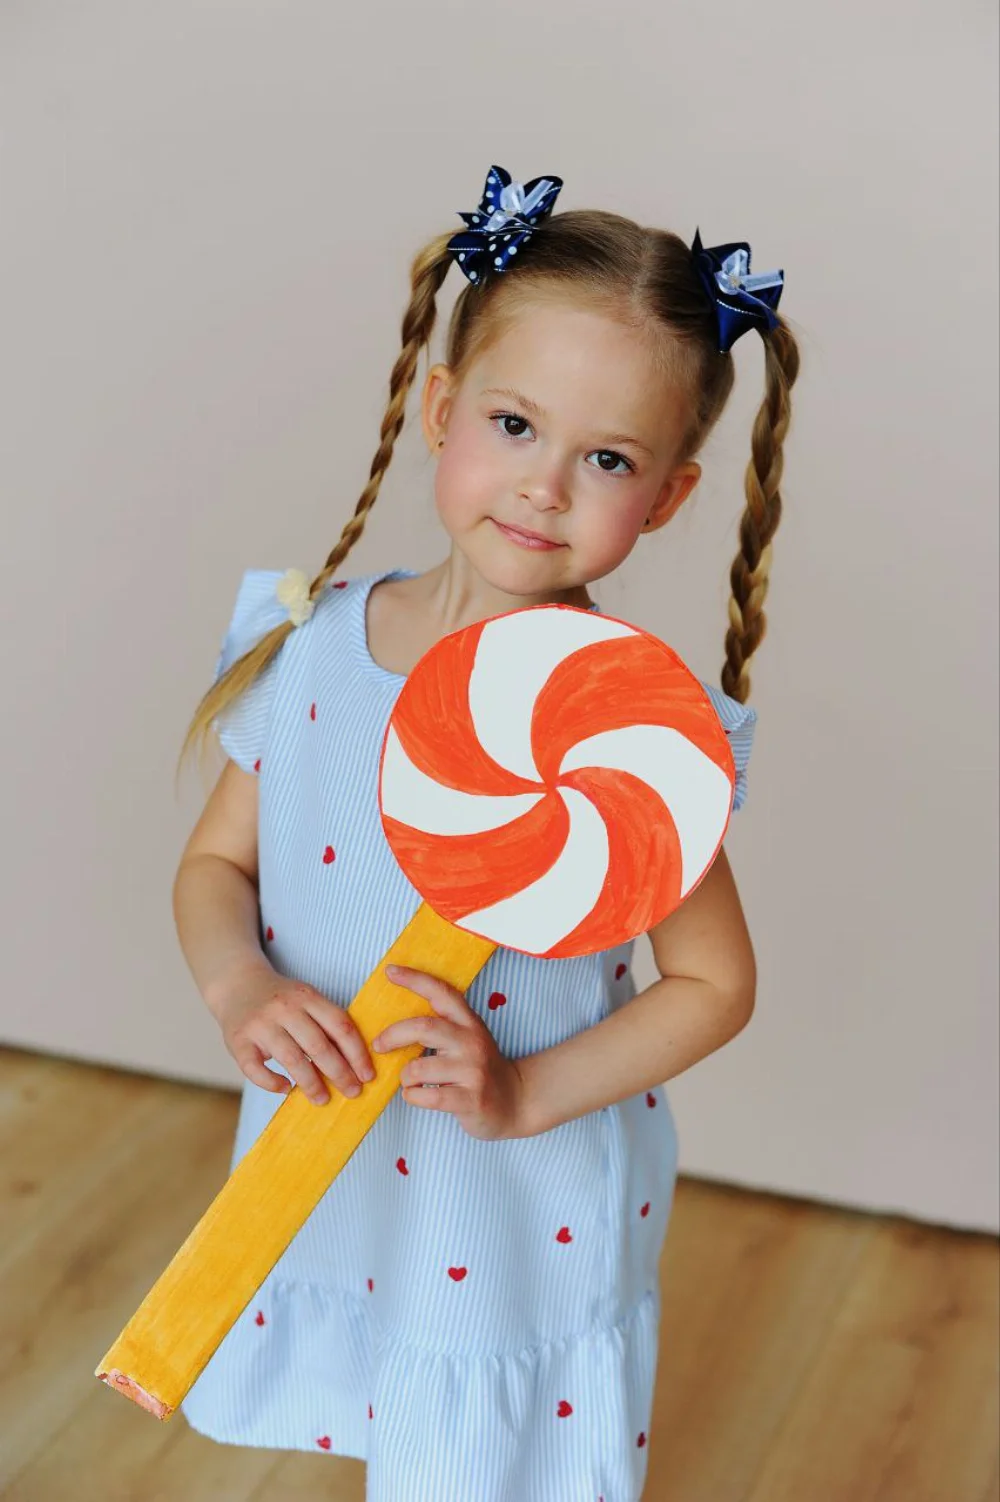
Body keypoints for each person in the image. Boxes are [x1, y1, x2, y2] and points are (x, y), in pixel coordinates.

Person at [172, 165, 799, 1501]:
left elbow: (714, 981)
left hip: (514, 1184)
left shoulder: (628, 726)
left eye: (608, 459)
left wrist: (526, 1094)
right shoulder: (312, 643)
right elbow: (218, 864)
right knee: (387, 1413)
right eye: (515, 424)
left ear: (667, 496)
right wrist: (239, 985)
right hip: (338, 1145)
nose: (545, 486)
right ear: (443, 408)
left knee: (482, 1458)